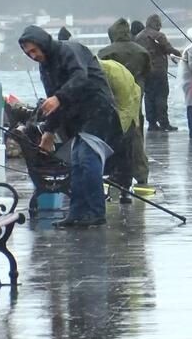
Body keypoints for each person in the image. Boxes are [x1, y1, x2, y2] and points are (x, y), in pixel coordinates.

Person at [18, 25, 122, 227]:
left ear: (42, 43)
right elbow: (53, 103)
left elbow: (80, 78)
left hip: (98, 109)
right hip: (76, 117)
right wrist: (49, 130)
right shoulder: (45, 66)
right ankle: (77, 212)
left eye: (34, 50)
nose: (33, 55)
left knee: (87, 158)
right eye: (28, 53)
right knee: (76, 161)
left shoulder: (69, 50)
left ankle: (95, 212)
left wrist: (58, 98)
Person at [98, 18, 152, 184]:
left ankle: (116, 172)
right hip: (136, 96)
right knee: (136, 137)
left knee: (114, 137)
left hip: (114, 100)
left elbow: (99, 75)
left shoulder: (105, 52)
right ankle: (141, 174)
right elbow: (147, 71)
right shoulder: (142, 51)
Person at [99, 59, 141, 204]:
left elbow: (125, 107)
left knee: (124, 147)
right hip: (119, 104)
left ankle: (125, 187)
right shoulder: (97, 70)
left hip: (127, 105)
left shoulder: (114, 75)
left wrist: (119, 130)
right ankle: (117, 182)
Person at [134, 14, 181, 132]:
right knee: (161, 97)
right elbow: (168, 49)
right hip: (159, 71)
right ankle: (164, 123)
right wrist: (179, 54)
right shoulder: (159, 35)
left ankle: (152, 123)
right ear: (157, 24)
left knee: (149, 97)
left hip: (146, 71)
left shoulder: (138, 37)